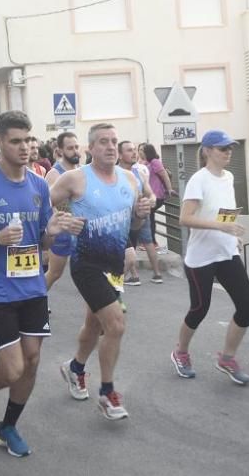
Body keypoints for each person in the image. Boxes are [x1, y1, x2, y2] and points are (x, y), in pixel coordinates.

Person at [0, 110, 82, 457]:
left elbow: (40, 242)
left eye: (29, 140)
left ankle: (8, 427)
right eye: (16, 141)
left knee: (33, 359)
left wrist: (51, 234)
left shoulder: (40, 185)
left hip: (32, 285)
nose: (25, 147)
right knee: (13, 369)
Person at [51, 123, 151, 419]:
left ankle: (75, 368)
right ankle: (107, 393)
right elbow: (39, 204)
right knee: (115, 325)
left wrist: (139, 217)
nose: (110, 147)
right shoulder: (75, 179)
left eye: (114, 141)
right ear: (90, 148)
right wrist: (59, 221)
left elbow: (132, 225)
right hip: (86, 265)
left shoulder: (130, 179)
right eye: (103, 142)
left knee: (95, 325)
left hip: (114, 265)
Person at [170, 131, 249, 384]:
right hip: (201, 257)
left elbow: (224, 211)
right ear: (207, 151)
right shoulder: (199, 180)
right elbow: (184, 219)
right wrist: (220, 228)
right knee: (199, 309)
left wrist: (231, 234)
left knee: (247, 307)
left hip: (226, 251)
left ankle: (227, 358)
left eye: (230, 148)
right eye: (222, 148)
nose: (228, 152)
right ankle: (181, 352)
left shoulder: (229, 177)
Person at [118, 140, 162, 285]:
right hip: (122, 218)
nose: (134, 153)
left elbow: (150, 193)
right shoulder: (114, 173)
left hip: (140, 215)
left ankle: (156, 274)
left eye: (135, 150)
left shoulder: (139, 173)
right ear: (119, 154)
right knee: (128, 249)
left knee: (147, 242)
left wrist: (152, 200)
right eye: (129, 150)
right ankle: (131, 276)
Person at [43, 132, 82, 290]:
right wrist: (57, 224)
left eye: (77, 147)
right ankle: (35, 300)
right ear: (60, 150)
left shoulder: (82, 171)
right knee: (54, 273)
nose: (75, 151)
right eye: (70, 148)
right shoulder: (54, 173)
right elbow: (46, 204)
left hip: (81, 230)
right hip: (63, 231)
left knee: (90, 273)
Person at [140, 142, 174, 252]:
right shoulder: (144, 163)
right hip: (149, 196)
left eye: (142, 150)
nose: (139, 152)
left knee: (147, 217)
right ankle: (150, 242)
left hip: (157, 195)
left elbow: (164, 176)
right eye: (139, 149)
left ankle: (152, 243)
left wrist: (169, 189)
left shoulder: (155, 162)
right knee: (148, 217)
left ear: (147, 151)